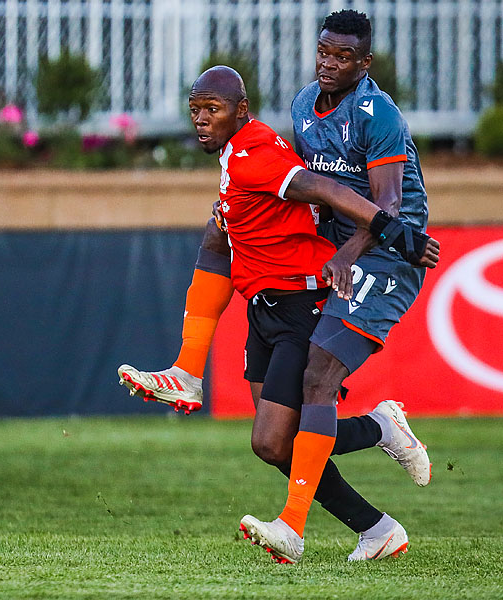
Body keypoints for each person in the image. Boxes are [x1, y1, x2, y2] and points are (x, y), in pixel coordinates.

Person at [119, 65, 437, 564]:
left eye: (213, 110)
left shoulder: (257, 153)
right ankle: (378, 521)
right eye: (195, 111)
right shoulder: (234, 154)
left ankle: (298, 523)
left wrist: (395, 232)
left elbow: (326, 190)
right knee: (272, 445)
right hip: (264, 308)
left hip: (299, 305)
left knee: (279, 434)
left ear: (240, 111)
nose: (201, 120)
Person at [238, 9, 437, 565]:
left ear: (364, 62)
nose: (329, 63)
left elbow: (389, 208)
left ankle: (291, 528)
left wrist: (347, 254)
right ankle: (378, 444)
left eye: (343, 56)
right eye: (324, 51)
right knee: (275, 435)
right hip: (333, 257)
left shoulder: (379, 114)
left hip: (387, 257)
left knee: (319, 373)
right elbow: (302, 186)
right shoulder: (304, 104)